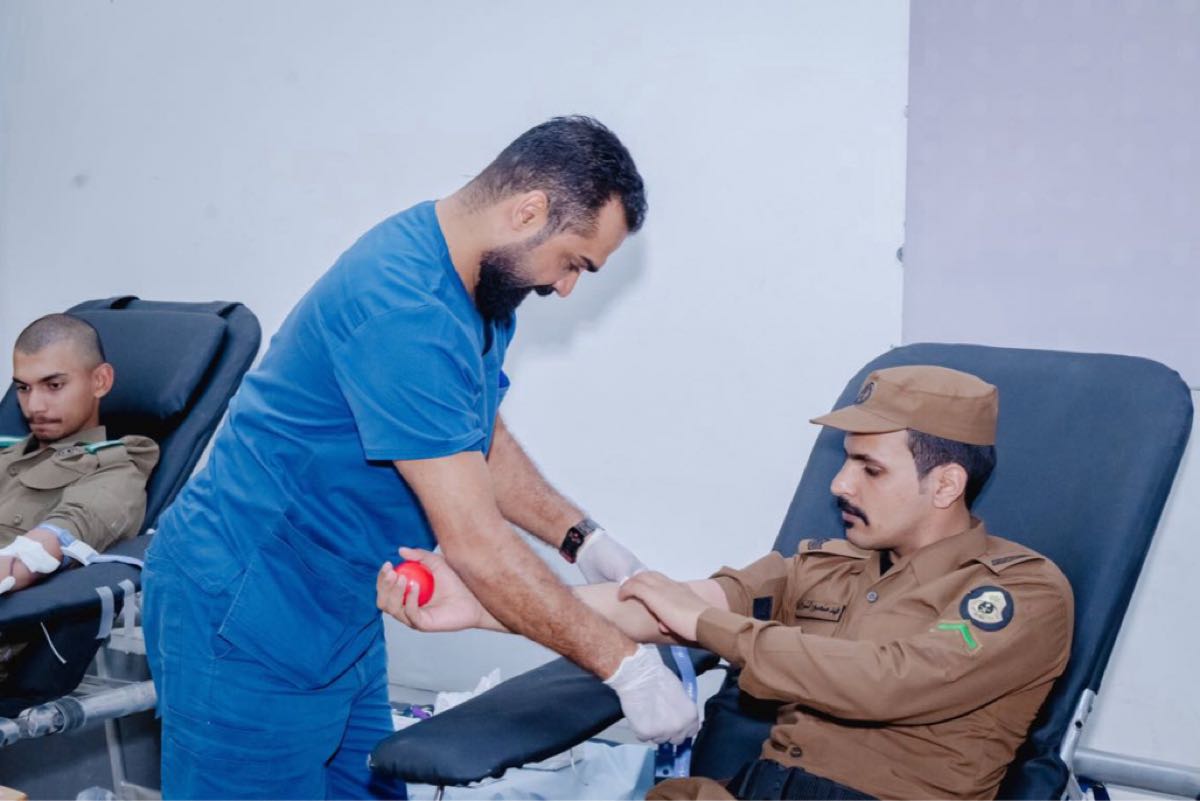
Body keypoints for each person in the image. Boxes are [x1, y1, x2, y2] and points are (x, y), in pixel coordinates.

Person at [142, 115, 697, 800]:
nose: (566, 287)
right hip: (244, 606)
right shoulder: (402, 306)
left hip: (339, 603)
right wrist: (625, 666)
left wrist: (581, 538)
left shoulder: (478, 282)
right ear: (529, 212)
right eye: (574, 261)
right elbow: (477, 547)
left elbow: (475, 435)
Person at [381, 365, 1075, 801]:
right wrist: (485, 603)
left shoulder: (1016, 595)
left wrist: (709, 625)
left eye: (870, 468)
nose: (840, 484)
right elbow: (657, 607)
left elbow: (890, 680)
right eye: (845, 461)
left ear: (945, 484)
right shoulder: (826, 564)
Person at [0, 314, 159, 685]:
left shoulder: (114, 470)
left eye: (53, 385)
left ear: (100, 381)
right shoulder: (8, 454)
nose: (34, 405)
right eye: (23, 388)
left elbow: (42, 548)